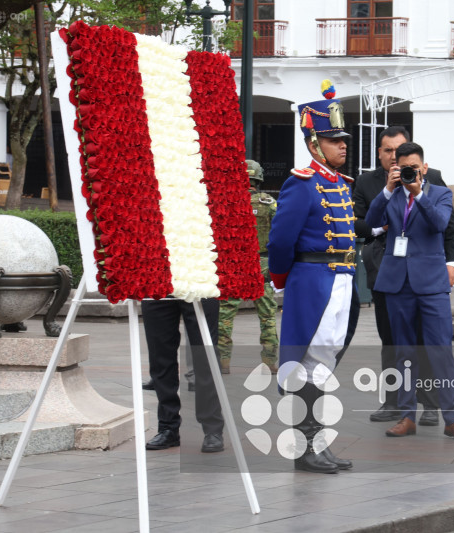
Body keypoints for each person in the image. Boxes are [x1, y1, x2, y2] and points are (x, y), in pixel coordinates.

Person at [267, 81, 355, 474]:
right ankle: (305, 449)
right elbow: (281, 239)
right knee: (308, 363)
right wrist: (281, 278)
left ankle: (318, 443)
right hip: (313, 280)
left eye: (343, 140)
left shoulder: (339, 183)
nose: (343, 146)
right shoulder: (302, 183)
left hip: (340, 279)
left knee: (325, 362)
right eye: (334, 140)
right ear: (314, 143)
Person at [365, 141, 454, 443]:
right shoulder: (391, 195)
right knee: (404, 352)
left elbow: (440, 224)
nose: (410, 172)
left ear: (424, 167)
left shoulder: (440, 194)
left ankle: (453, 419)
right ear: (394, 168)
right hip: (397, 284)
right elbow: (371, 222)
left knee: (441, 352)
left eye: (414, 167)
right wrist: (388, 190)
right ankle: (407, 416)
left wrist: (418, 194)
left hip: (431, 285)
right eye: (403, 168)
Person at [217, 160, 279, 375]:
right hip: (262, 265)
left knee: (225, 316)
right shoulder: (269, 203)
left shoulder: (227, 202)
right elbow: (279, 234)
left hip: (235, 264)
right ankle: (269, 362)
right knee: (267, 316)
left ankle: (223, 362)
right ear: (259, 178)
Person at [142, 298, 225, 453]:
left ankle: (212, 428)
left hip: (200, 288)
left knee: (206, 357)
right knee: (160, 357)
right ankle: (167, 427)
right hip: (158, 287)